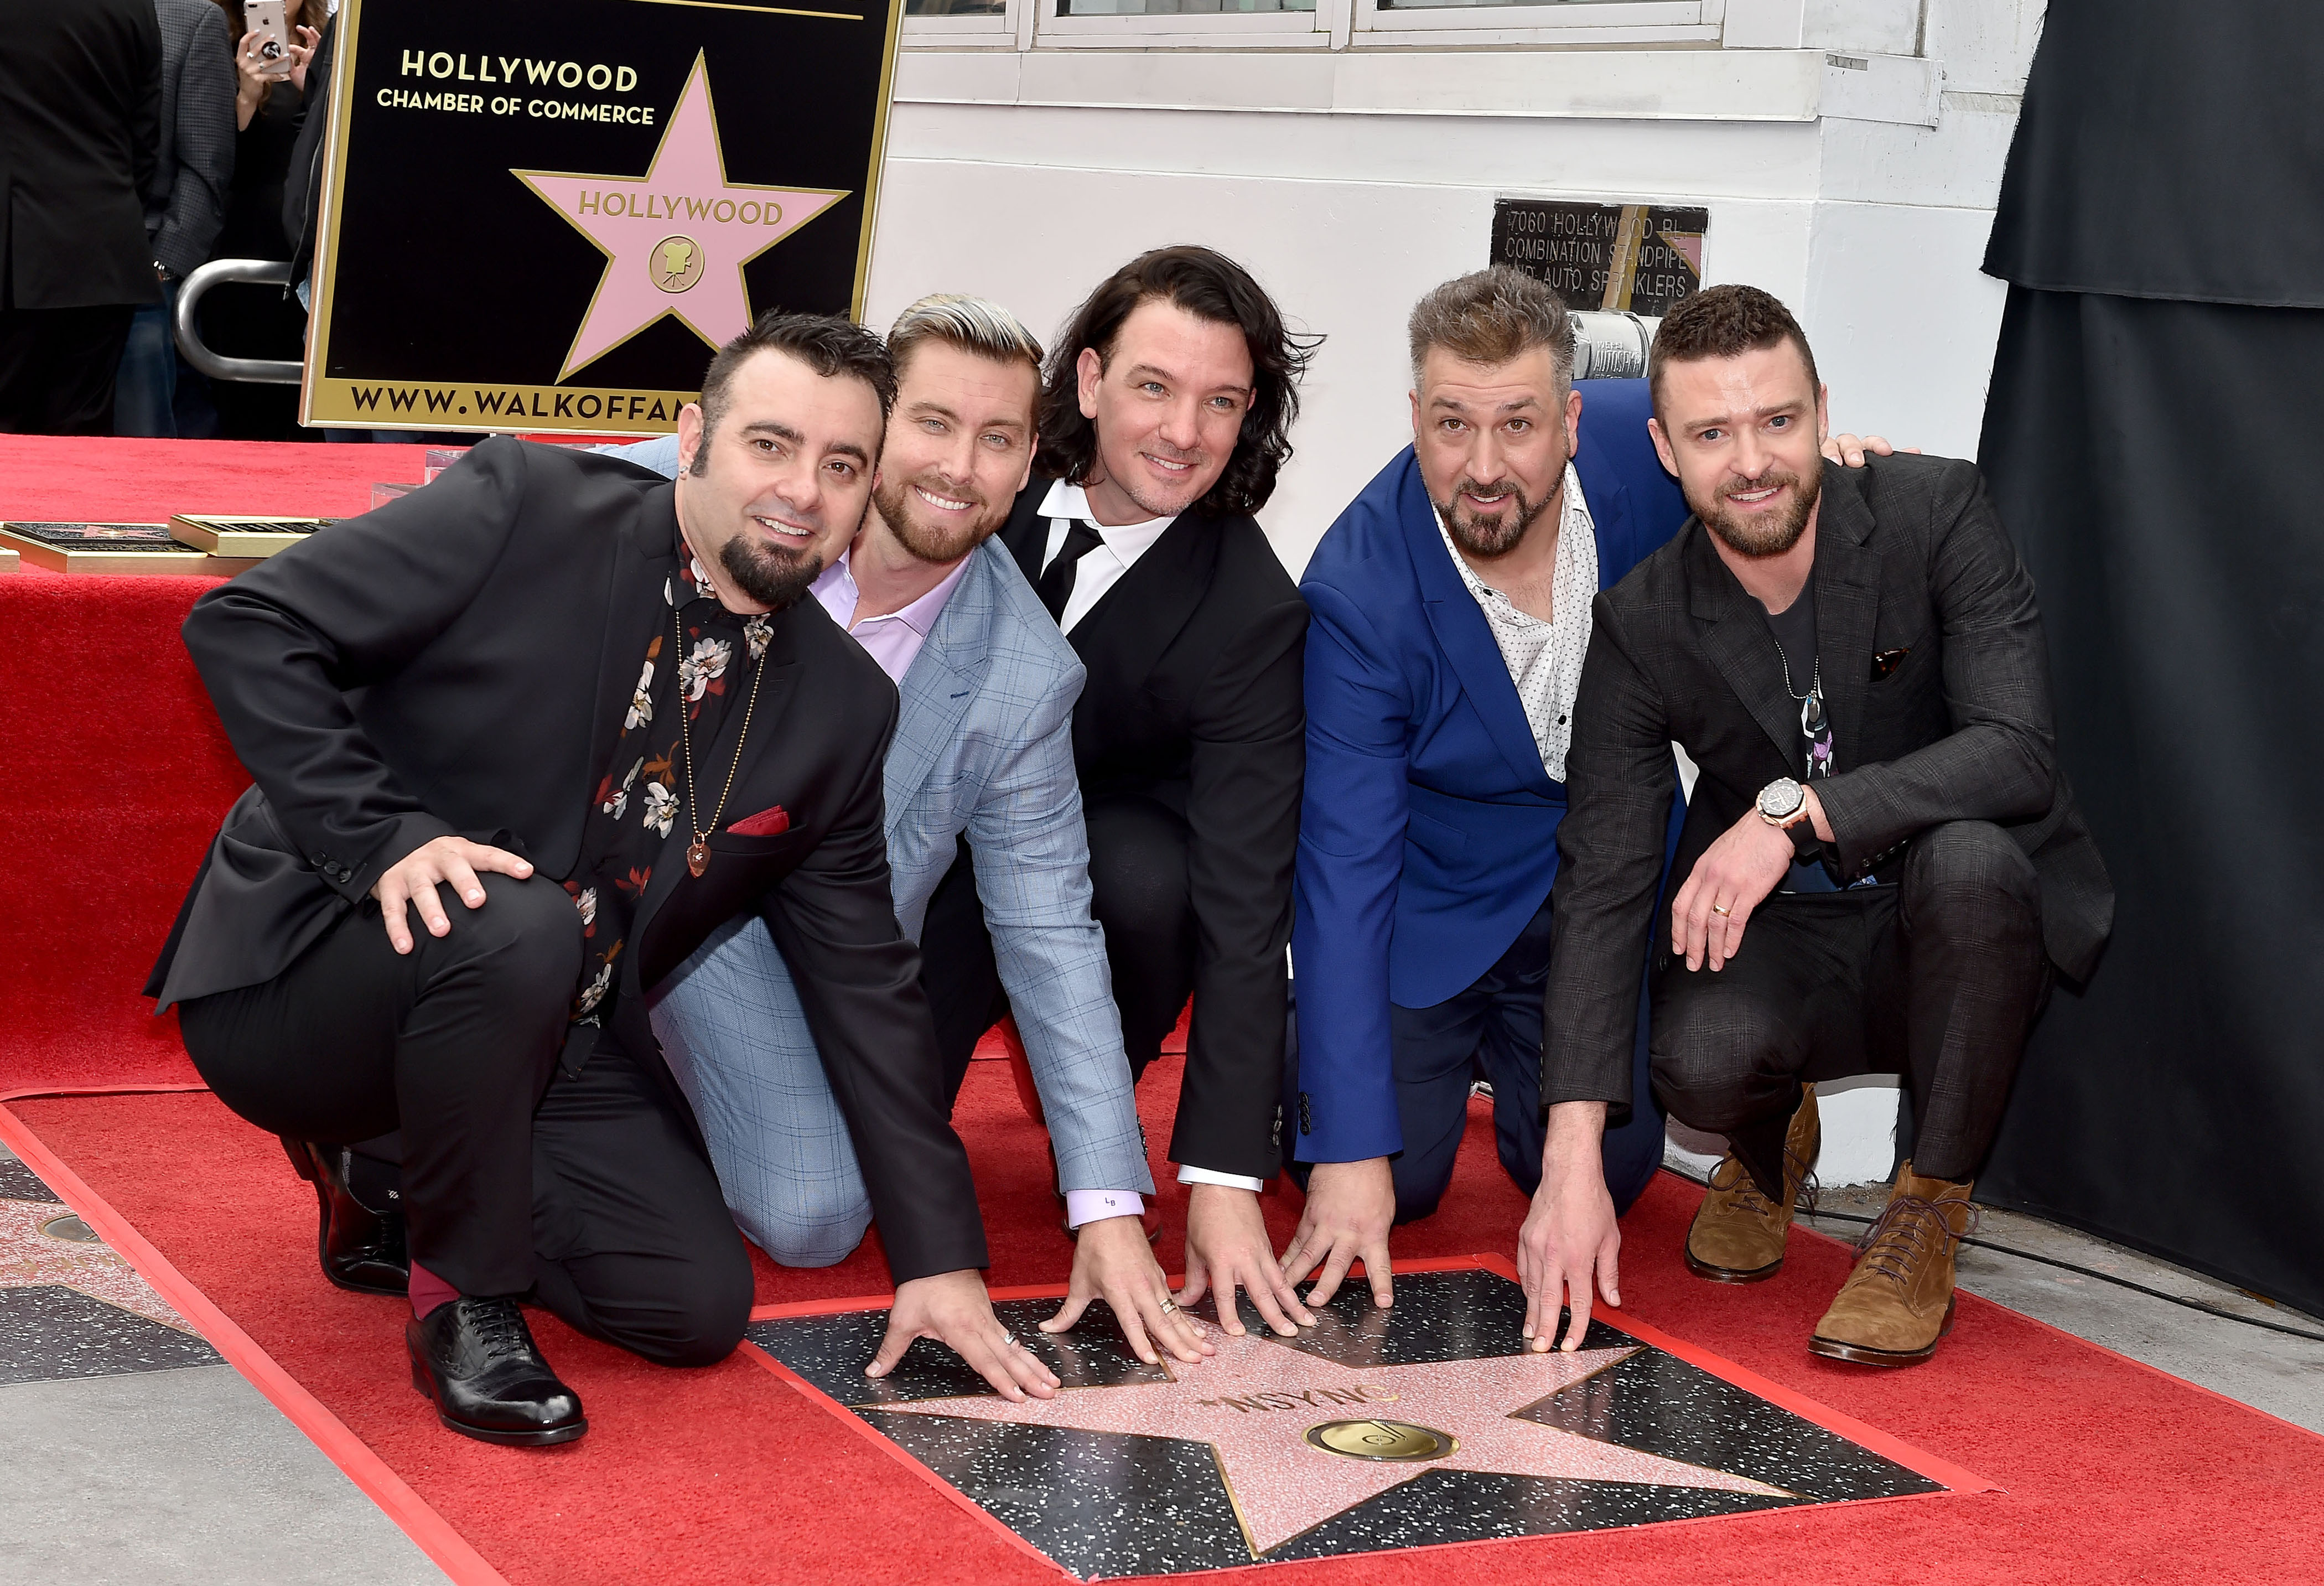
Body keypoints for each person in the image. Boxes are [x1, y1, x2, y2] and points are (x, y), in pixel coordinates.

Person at [147, 313, 1064, 1448]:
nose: (801, 491)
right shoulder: (525, 507)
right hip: (311, 971)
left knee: (690, 1305)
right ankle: (461, 1300)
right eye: (769, 446)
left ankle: (389, 1163)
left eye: (840, 466)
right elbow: (250, 620)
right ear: (693, 439)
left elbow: (869, 981)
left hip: (551, 1027)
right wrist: (385, 836)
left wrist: (941, 1258)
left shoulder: (841, 709)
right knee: (518, 923)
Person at [610, 296, 1209, 1371]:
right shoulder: (716, 495)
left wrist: (1108, 1202)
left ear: (1029, 463)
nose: (959, 466)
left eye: (996, 439)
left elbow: (1049, 927)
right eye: (933, 422)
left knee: (818, 1215)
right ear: (879, 424)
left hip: (781, 953)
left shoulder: (1026, 673)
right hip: (609, 853)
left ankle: (630, 1052)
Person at [1518, 284, 2113, 1366]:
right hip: (1786, 933)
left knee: (1977, 862)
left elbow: (2016, 751)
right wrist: (1571, 1160)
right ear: (1665, 449)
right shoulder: (1646, 620)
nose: (1752, 460)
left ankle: (1925, 1207)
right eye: (1713, 432)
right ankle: (1765, 1139)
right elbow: (1602, 875)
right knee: (1694, 1052)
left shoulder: (1933, 513)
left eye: (1778, 420)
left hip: (1944, 920)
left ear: (1821, 409)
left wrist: (1793, 817)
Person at [932, 245, 1319, 1337]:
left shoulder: (1251, 612)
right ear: (1092, 380)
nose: (1182, 432)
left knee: (1156, 875)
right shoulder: (978, 476)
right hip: (909, 869)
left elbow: (1249, 905)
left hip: (1091, 899)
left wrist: (1224, 1176)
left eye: (1221, 402)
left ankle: (1086, 1109)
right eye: (1154, 387)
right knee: (822, 1190)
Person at [1286, 268, 1687, 1307]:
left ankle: (1536, 1099)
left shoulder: (1649, 459)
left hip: (1597, 895)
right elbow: (1343, 865)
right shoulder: (1357, 590)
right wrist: (1347, 1150)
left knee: (1622, 1167)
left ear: (1572, 421)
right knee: (1393, 1178)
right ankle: (1315, 1060)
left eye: (1518, 424)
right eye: (1453, 424)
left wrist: (1842, 455)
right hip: (1434, 908)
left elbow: (1754, 443)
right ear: (1416, 418)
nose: (1483, 466)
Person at [0, 0, 161, 434]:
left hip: (17, 249)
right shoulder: (135, 8)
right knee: (82, 433)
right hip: (105, 242)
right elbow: (145, 142)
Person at [115, 0, 236, 437]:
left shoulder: (192, 17)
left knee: (141, 442)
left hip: (145, 272)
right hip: (50, 269)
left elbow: (208, 162)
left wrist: (165, 264)